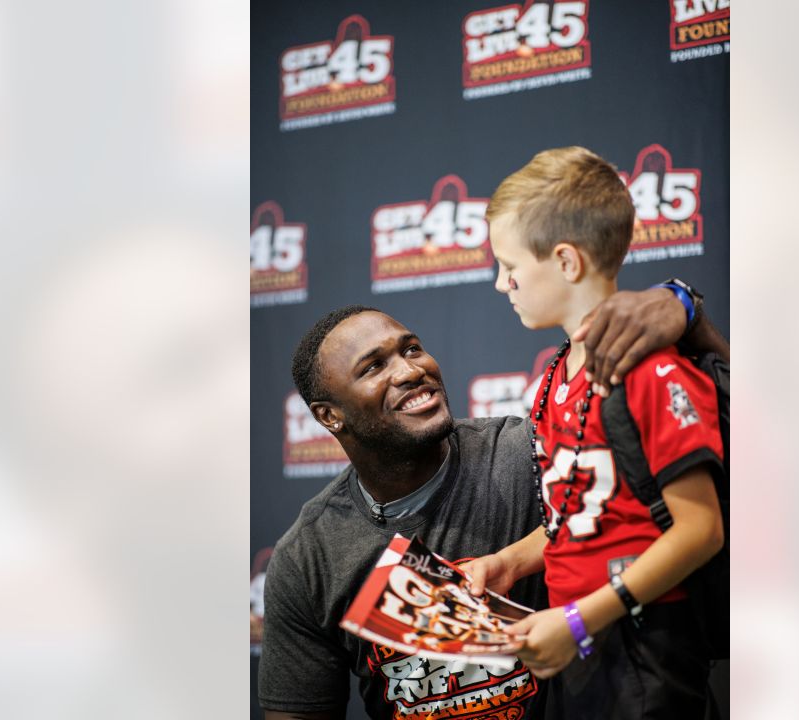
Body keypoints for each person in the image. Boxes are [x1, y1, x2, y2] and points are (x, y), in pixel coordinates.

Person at [258, 289, 727, 720]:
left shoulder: (531, 451)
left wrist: (687, 308)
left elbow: (699, 488)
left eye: (412, 348)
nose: (409, 370)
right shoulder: (309, 557)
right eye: (373, 367)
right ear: (329, 415)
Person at [464, 146, 726, 718]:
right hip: (579, 645)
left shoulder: (652, 371)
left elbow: (702, 529)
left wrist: (582, 618)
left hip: (643, 647)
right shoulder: (555, 375)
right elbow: (579, 517)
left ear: (565, 262)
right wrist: (506, 564)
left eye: (509, 265)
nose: (500, 283)